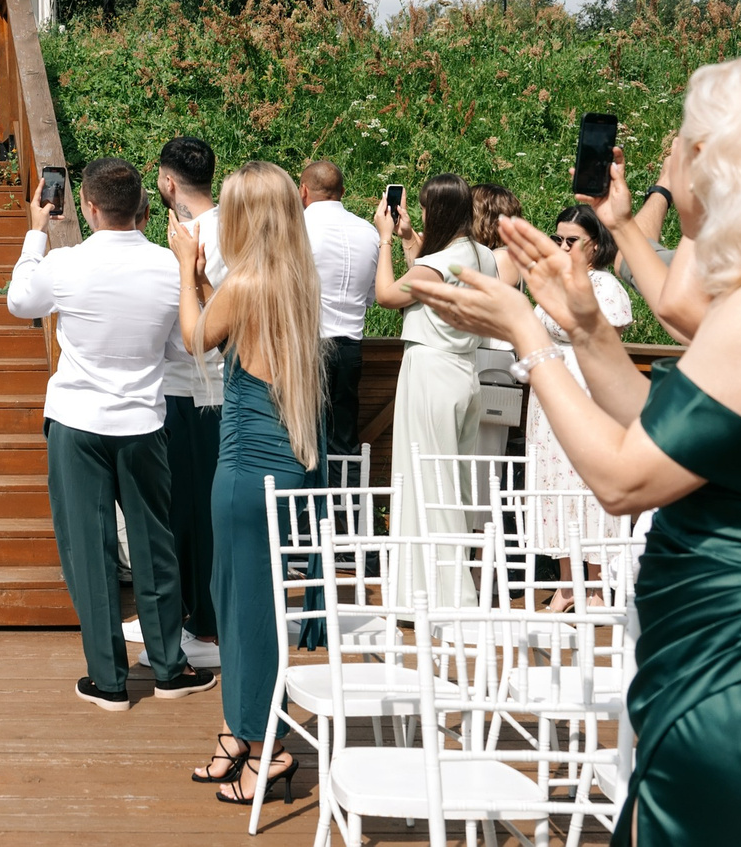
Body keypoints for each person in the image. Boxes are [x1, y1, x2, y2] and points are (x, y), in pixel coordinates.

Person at [408, 56, 741, 846]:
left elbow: (625, 478)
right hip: (734, 644)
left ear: (727, 164)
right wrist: (582, 325)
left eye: (682, 145)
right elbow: (659, 423)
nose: (668, 162)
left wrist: (529, 337)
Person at [7, 158, 211, 711]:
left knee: (88, 550)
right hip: (144, 421)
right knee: (155, 545)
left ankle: (108, 679)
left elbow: (20, 301)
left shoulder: (68, 263)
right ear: (144, 207)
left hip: (76, 421)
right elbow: (179, 348)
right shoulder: (170, 268)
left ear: (88, 208)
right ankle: (169, 665)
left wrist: (36, 233)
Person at [173, 159, 322, 805]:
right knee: (240, 597)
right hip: (280, 462)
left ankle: (268, 749)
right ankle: (241, 729)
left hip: (244, 467)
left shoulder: (249, 280)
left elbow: (194, 338)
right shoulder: (291, 279)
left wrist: (186, 265)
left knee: (248, 609)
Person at [373, 173, 498, 539]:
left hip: (430, 373)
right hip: (463, 371)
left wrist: (384, 241)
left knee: (424, 480)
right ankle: (452, 578)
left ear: (437, 212)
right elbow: (432, 272)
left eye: (426, 210)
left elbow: (387, 295)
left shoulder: (439, 263)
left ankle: (431, 585)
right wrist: (410, 238)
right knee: (449, 482)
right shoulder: (484, 256)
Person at [518, 205, 636, 563]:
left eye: (572, 240)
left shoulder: (605, 285)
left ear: (596, 245)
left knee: (585, 479)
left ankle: (598, 582)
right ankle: (568, 585)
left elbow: (606, 344)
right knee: (555, 481)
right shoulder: (553, 282)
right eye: (558, 239)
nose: (563, 246)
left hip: (587, 388)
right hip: (549, 391)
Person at [145, 136, 224, 663]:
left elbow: (187, 325)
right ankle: (195, 616)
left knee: (189, 514)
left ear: (169, 183)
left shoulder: (189, 237)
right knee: (199, 511)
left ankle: (204, 623)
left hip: (189, 384)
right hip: (220, 386)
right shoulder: (232, 226)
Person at [298, 159, 379, 464]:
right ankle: (345, 511)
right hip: (351, 348)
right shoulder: (369, 232)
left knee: (304, 438)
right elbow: (370, 296)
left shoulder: (298, 227)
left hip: (308, 343)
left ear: (303, 191)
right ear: (342, 192)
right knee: (344, 443)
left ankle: (308, 510)